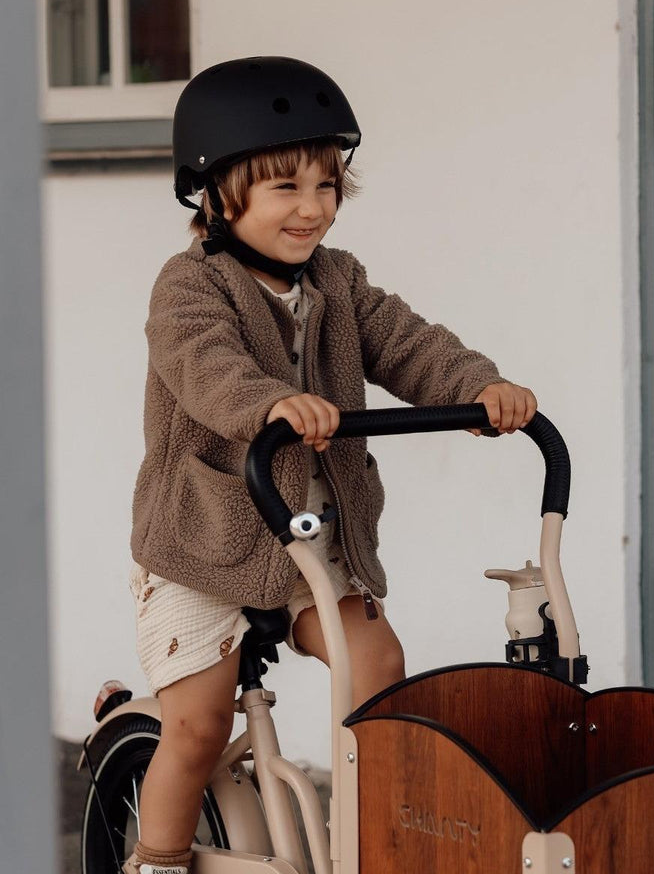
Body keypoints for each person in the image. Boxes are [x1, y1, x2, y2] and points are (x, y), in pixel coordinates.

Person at [123, 56, 537, 874]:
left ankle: (368, 839)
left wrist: (477, 387)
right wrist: (269, 404)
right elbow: (207, 367)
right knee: (200, 725)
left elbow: (408, 344)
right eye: (286, 189)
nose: (312, 208)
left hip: (310, 542)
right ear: (214, 193)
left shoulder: (340, 283)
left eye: (328, 184)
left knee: (377, 667)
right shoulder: (188, 288)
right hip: (203, 547)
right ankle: (159, 860)